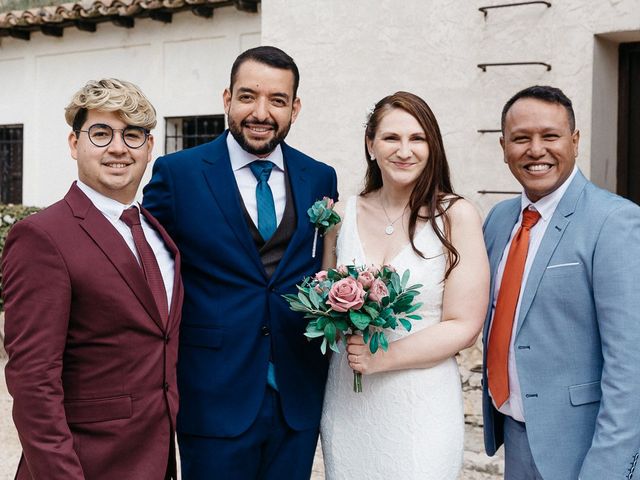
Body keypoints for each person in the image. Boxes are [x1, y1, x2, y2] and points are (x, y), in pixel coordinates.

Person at [143, 46, 338, 479]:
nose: (261, 112)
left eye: (277, 100)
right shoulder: (177, 174)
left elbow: (320, 268)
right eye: (248, 96)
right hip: (212, 392)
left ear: (295, 108)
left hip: (296, 394)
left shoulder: (320, 177)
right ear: (227, 98)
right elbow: (146, 277)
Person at [2, 78, 183, 480]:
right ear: (74, 144)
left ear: (149, 148)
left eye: (132, 135)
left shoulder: (158, 234)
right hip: (84, 467)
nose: (118, 148)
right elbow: (33, 384)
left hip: (155, 463)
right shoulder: (42, 236)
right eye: (101, 133)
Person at [320, 91, 489, 479]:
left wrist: (383, 358)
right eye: (391, 138)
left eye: (417, 139)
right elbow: (325, 306)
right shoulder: (340, 216)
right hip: (350, 400)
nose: (404, 150)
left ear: (432, 146)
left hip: (422, 402)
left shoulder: (455, 217)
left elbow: (464, 325)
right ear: (370, 144)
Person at [482, 85, 640, 479]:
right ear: (504, 147)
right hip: (516, 436)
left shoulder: (614, 221)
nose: (536, 150)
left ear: (575, 141)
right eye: (521, 138)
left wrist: (607, 470)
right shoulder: (499, 219)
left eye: (550, 136)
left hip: (584, 448)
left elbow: (630, 367)